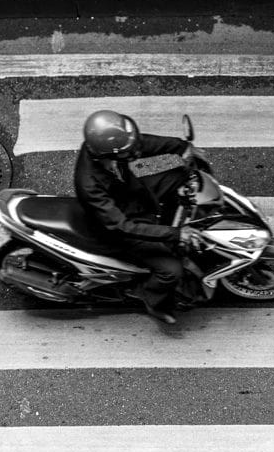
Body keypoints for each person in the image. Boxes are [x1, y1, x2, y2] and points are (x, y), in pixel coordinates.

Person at [73, 110, 202, 325]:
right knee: (171, 271)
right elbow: (122, 226)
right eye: (129, 152)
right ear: (108, 156)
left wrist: (181, 148)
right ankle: (151, 299)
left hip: (129, 190)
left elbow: (142, 144)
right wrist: (175, 234)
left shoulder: (114, 149)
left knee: (178, 170)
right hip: (121, 227)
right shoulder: (89, 185)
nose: (136, 152)